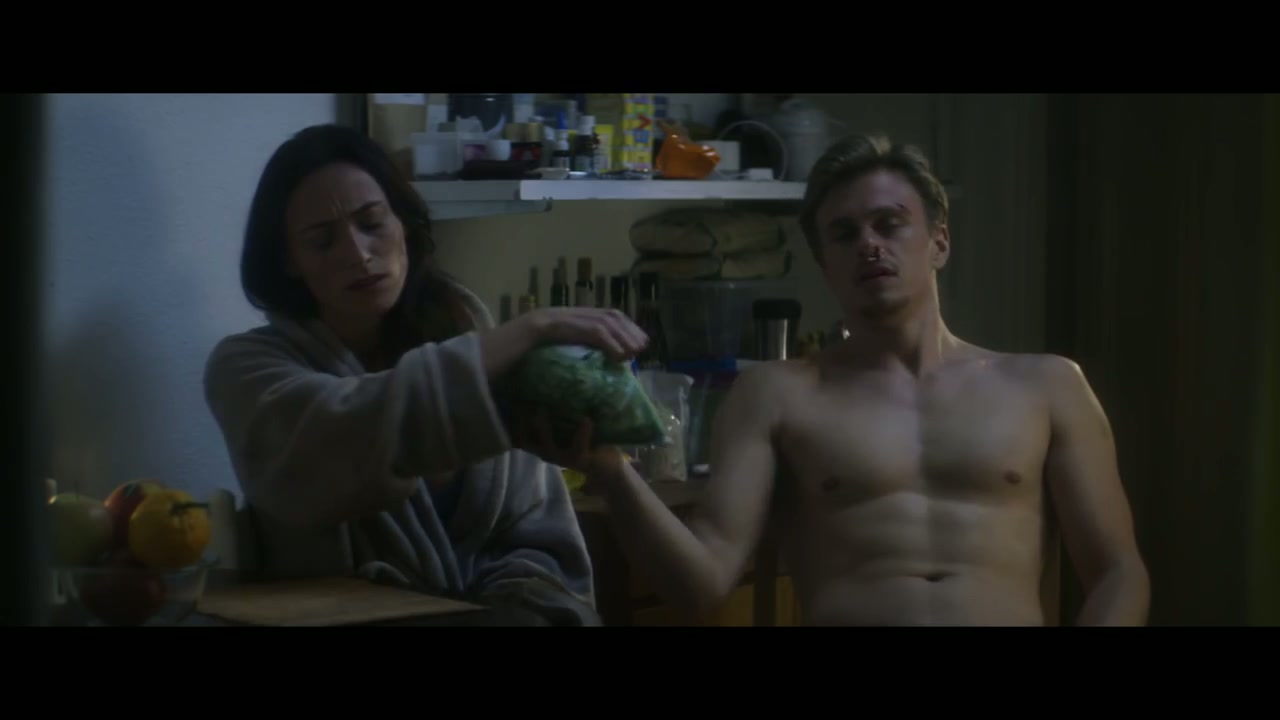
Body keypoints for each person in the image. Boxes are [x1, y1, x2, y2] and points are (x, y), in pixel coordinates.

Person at [534, 133, 1151, 626]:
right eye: (845, 233)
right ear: (825, 262)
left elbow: (1118, 573)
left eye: (890, 224)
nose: (869, 245)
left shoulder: (1047, 386)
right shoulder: (778, 394)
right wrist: (612, 473)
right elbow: (703, 583)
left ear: (939, 242)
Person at [202, 124, 649, 626]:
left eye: (372, 223)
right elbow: (337, 433)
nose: (357, 253)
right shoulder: (247, 368)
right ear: (289, 261)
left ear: (404, 223)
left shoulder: (469, 334)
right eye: (323, 241)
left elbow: (535, 527)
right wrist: (533, 328)